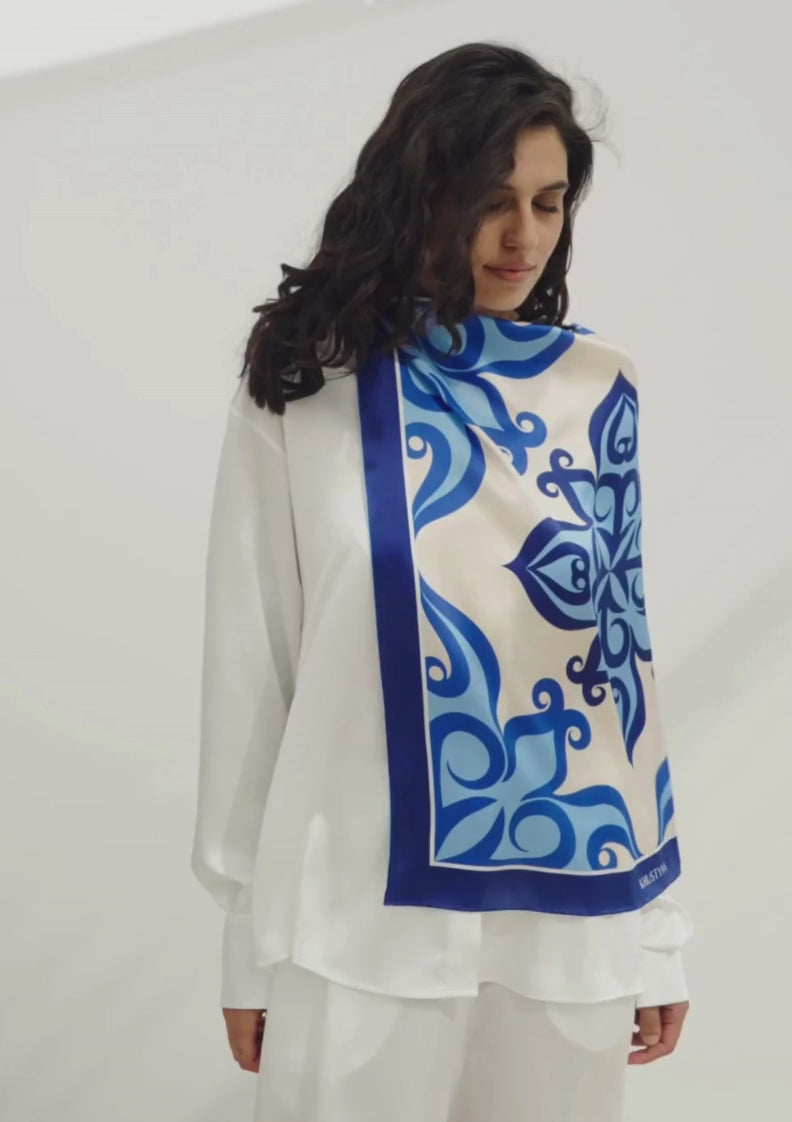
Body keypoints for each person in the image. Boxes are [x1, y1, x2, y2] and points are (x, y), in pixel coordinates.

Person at [190, 41, 695, 1122]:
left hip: (572, 926)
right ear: (421, 194)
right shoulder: (306, 388)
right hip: (356, 927)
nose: (524, 238)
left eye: (549, 204)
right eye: (490, 201)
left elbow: (622, 674)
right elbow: (254, 663)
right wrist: (244, 933)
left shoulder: (597, 389)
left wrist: (658, 932)